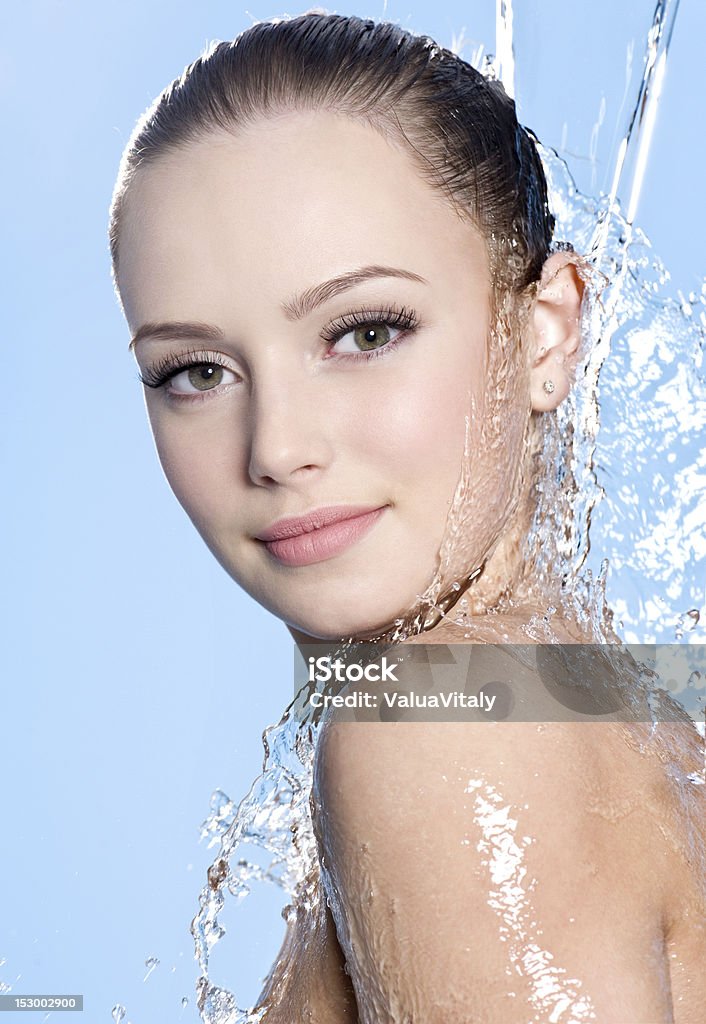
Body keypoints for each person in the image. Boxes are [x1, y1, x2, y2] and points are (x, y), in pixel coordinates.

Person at [108, 11, 704, 1022]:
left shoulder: (431, 733)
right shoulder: (616, 711)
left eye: (365, 331)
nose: (276, 446)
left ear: (546, 331)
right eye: (195, 371)